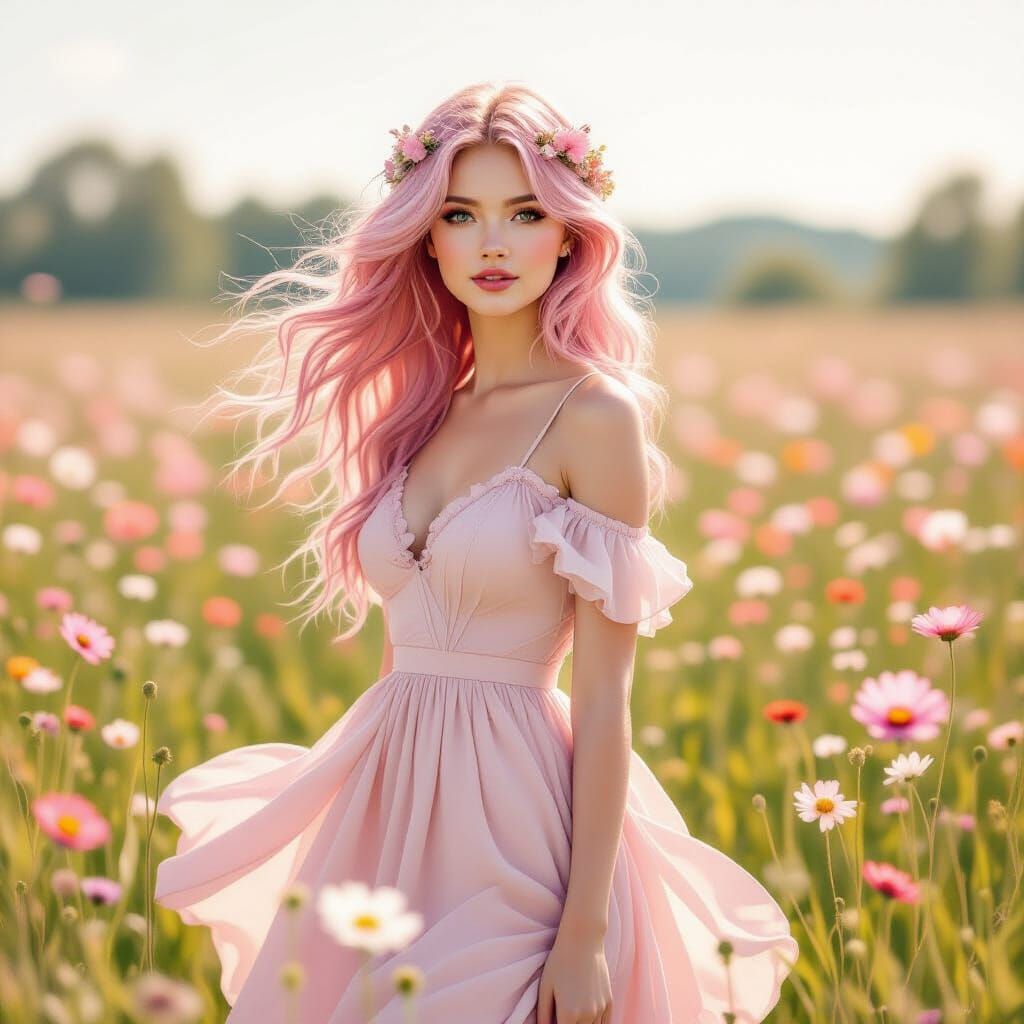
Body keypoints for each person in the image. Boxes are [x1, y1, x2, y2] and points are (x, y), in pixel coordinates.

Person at [154, 80, 799, 1023]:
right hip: (384, 814)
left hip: (517, 833)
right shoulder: (416, 417)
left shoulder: (595, 415)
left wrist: (581, 937)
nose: (493, 242)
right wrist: (353, 824)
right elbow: (395, 654)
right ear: (428, 237)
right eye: (462, 214)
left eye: (525, 213)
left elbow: (609, 699)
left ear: (570, 237)